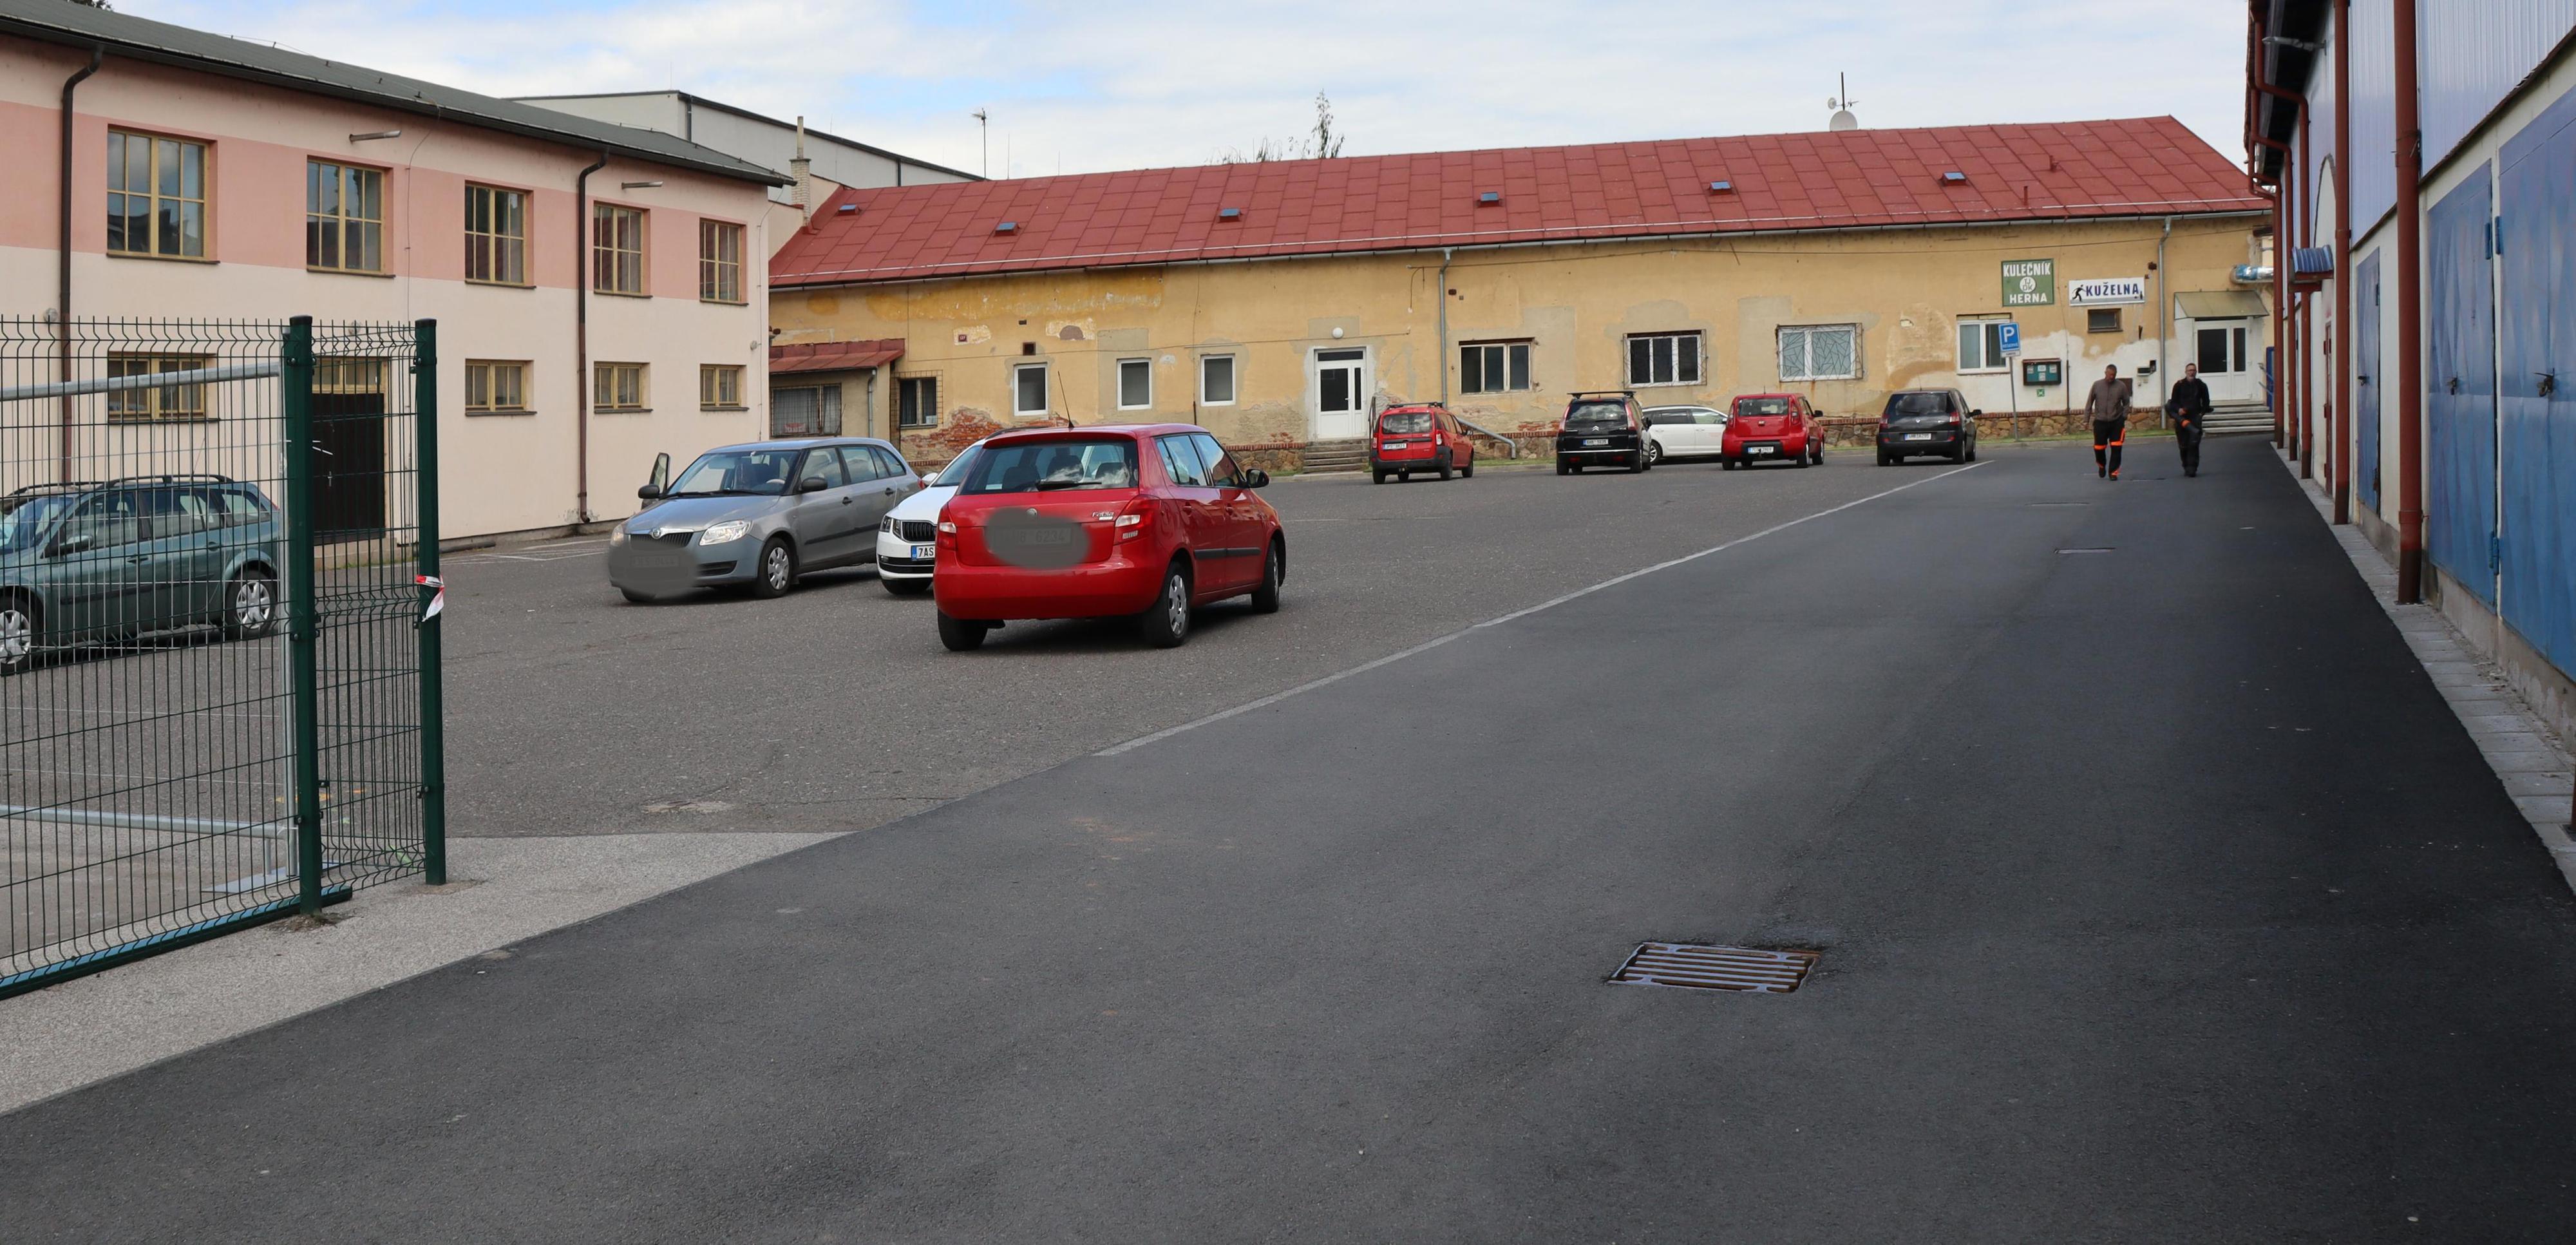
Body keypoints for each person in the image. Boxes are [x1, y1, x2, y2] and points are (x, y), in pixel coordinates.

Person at [2085, 364, 2131, 480]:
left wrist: (2124, 416)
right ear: (2105, 373)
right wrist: (2086, 419)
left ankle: (2113, 472)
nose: (2111, 377)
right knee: (2099, 448)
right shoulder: (2097, 385)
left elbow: (2126, 402)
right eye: (2110, 374)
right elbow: (2089, 402)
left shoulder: (2121, 386)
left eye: (2114, 375)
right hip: (2101, 422)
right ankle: (2102, 466)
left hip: (2116, 422)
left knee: (2117, 447)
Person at [2168, 363, 2212, 477]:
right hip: (2182, 419)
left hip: (2195, 418)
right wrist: (2179, 410)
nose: (2191, 372)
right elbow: (2173, 402)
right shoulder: (2179, 385)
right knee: (2183, 445)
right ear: (2186, 372)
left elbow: (2206, 402)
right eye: (2189, 370)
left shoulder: (2201, 385)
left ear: (2196, 372)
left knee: (2194, 444)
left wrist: (2201, 414)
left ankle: (2192, 468)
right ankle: (2185, 465)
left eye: (2193, 370)